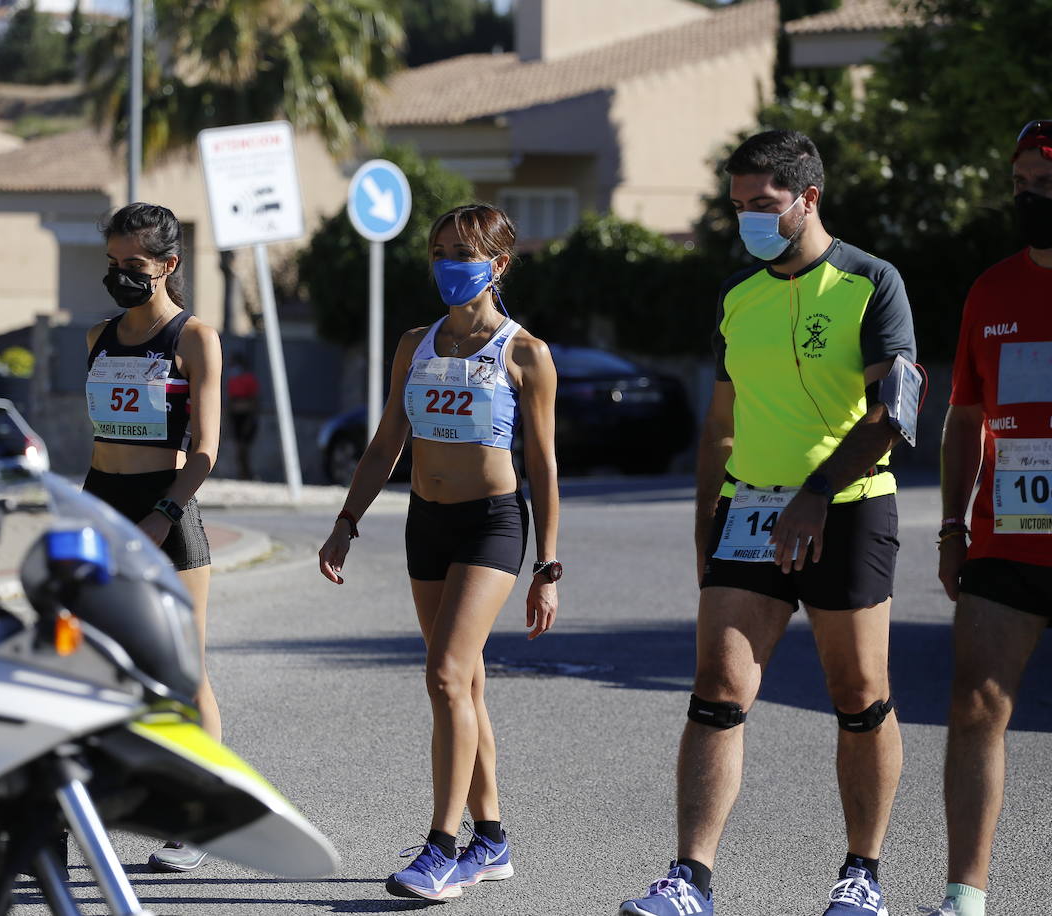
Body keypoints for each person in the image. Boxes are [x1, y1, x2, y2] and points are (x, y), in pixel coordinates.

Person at [620, 129, 917, 916]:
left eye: (763, 204)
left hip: (848, 507)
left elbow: (893, 415)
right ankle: (690, 879)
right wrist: (704, 529)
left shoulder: (871, 282)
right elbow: (720, 426)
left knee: (859, 694)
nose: (748, 219)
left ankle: (863, 874)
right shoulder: (736, 295)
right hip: (749, 512)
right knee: (717, 690)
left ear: (808, 198)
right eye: (738, 206)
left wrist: (817, 491)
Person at [317, 203, 560, 902]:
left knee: (447, 675)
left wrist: (548, 566)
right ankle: (492, 839)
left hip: (492, 524)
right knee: (466, 685)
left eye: (464, 253)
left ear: (498, 265)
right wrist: (346, 521)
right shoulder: (414, 344)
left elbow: (544, 466)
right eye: (440, 252)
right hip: (426, 522)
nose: (449, 265)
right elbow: (386, 443)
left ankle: (442, 848)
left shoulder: (524, 352)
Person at [924, 117, 1052, 916]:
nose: (1028, 198)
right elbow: (965, 417)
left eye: (1046, 185)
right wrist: (952, 527)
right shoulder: (992, 290)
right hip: (1008, 534)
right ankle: (965, 897)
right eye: (1019, 185)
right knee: (974, 705)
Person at [83, 202, 223, 873]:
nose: (120, 275)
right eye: (113, 263)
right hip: (102, 505)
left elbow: (207, 450)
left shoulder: (193, 338)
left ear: (168, 265)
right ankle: (83, 809)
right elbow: (98, 441)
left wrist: (164, 513)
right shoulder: (97, 336)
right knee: (95, 663)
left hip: (166, 510)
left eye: (133, 264)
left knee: (183, 671)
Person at [225, 352, 260, 480]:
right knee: (238, 447)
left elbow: (254, 400)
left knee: (244, 447)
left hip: (246, 417)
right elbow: (230, 400)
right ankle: (243, 473)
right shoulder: (232, 380)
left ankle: (247, 473)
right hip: (236, 417)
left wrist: (251, 417)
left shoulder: (249, 379)